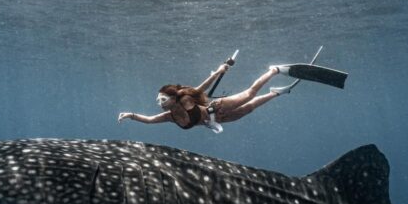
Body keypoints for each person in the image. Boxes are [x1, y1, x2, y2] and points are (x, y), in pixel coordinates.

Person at [117, 60, 299, 133]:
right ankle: (276, 93)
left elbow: (204, 86)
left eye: (163, 100)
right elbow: (148, 120)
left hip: (218, 108)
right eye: (158, 100)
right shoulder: (168, 117)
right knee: (248, 109)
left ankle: (274, 70)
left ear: (173, 99)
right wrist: (131, 115)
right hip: (216, 121)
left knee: (250, 94)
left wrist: (219, 71)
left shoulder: (185, 99)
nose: (160, 103)